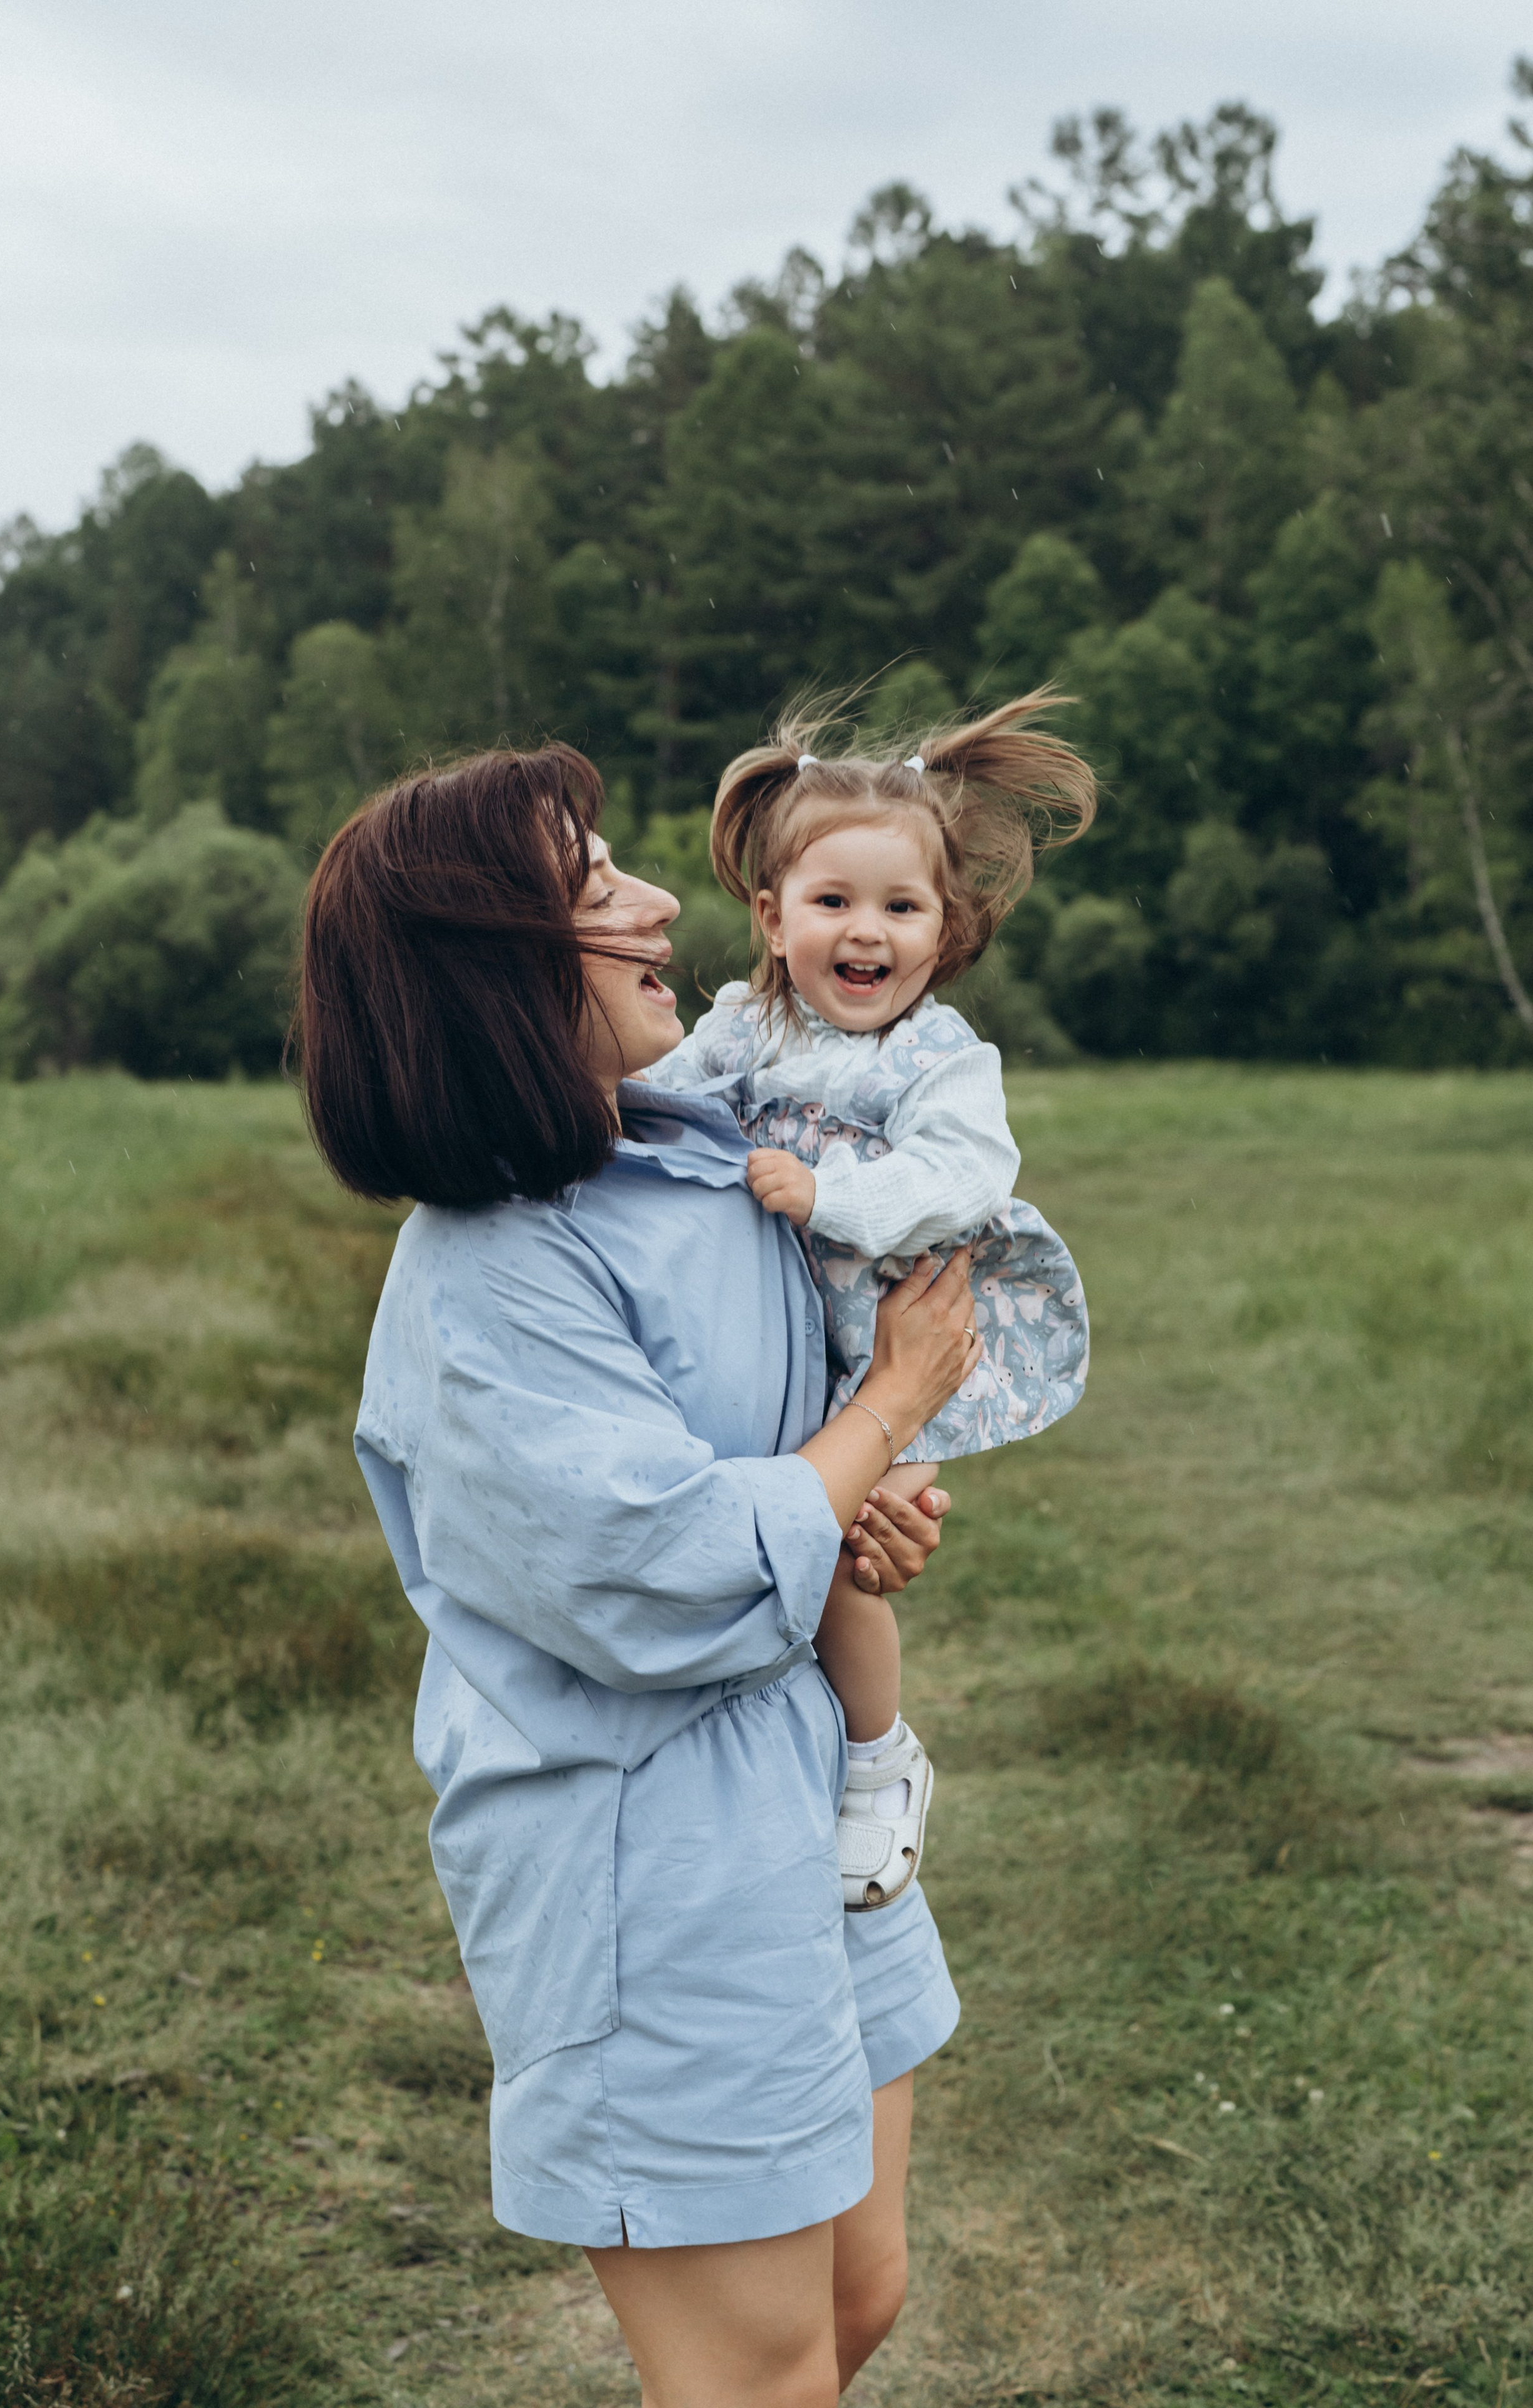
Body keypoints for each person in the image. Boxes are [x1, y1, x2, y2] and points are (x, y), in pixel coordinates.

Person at [293, 743, 981, 2407]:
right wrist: (886, 1410)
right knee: (757, 2377)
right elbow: (671, 1572)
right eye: (595, 886)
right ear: (492, 968)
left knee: (860, 2295)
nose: (663, 900)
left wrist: (858, 1503)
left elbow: (772, 1455)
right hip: (652, 1869)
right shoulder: (487, 1280)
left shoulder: (680, 1146)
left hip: (805, 1804)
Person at [646, 695, 1095, 1910]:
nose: (867, 932)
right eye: (833, 901)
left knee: (850, 1554)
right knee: (761, 1525)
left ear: (945, 931)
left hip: (903, 1332)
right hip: (775, 1330)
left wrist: (828, 1193)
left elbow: (962, 1177)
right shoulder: (741, 1026)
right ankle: (751, 1750)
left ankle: (876, 1761)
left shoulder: (939, 1058)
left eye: (901, 909)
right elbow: (655, 1098)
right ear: (772, 915)